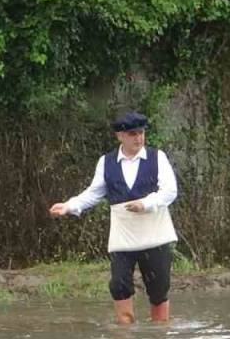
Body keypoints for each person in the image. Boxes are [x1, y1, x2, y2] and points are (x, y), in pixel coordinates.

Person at [50, 112, 178, 324]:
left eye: (141, 133)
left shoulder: (158, 157)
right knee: (119, 285)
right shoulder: (106, 162)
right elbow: (94, 192)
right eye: (132, 134)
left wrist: (145, 203)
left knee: (158, 291)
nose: (139, 138)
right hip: (123, 237)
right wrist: (69, 205)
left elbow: (170, 191)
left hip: (156, 236)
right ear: (120, 136)